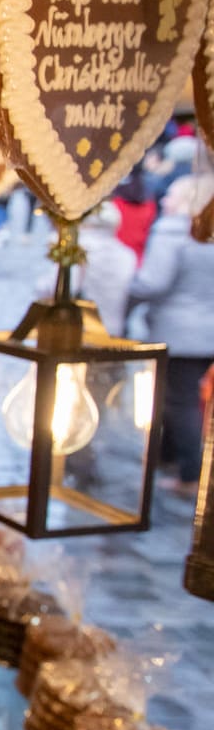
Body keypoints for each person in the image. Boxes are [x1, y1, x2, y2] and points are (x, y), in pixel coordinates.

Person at [129, 175, 214, 493]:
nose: (164, 200)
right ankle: (166, 456)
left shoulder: (172, 232)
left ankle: (191, 474)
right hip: (205, 332)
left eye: (172, 196)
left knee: (179, 402)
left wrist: (128, 291)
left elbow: (153, 282)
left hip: (179, 333)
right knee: (178, 399)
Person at [71, 203, 139, 336]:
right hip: (114, 327)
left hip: (81, 328)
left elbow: (65, 286)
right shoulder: (127, 255)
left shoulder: (79, 250)